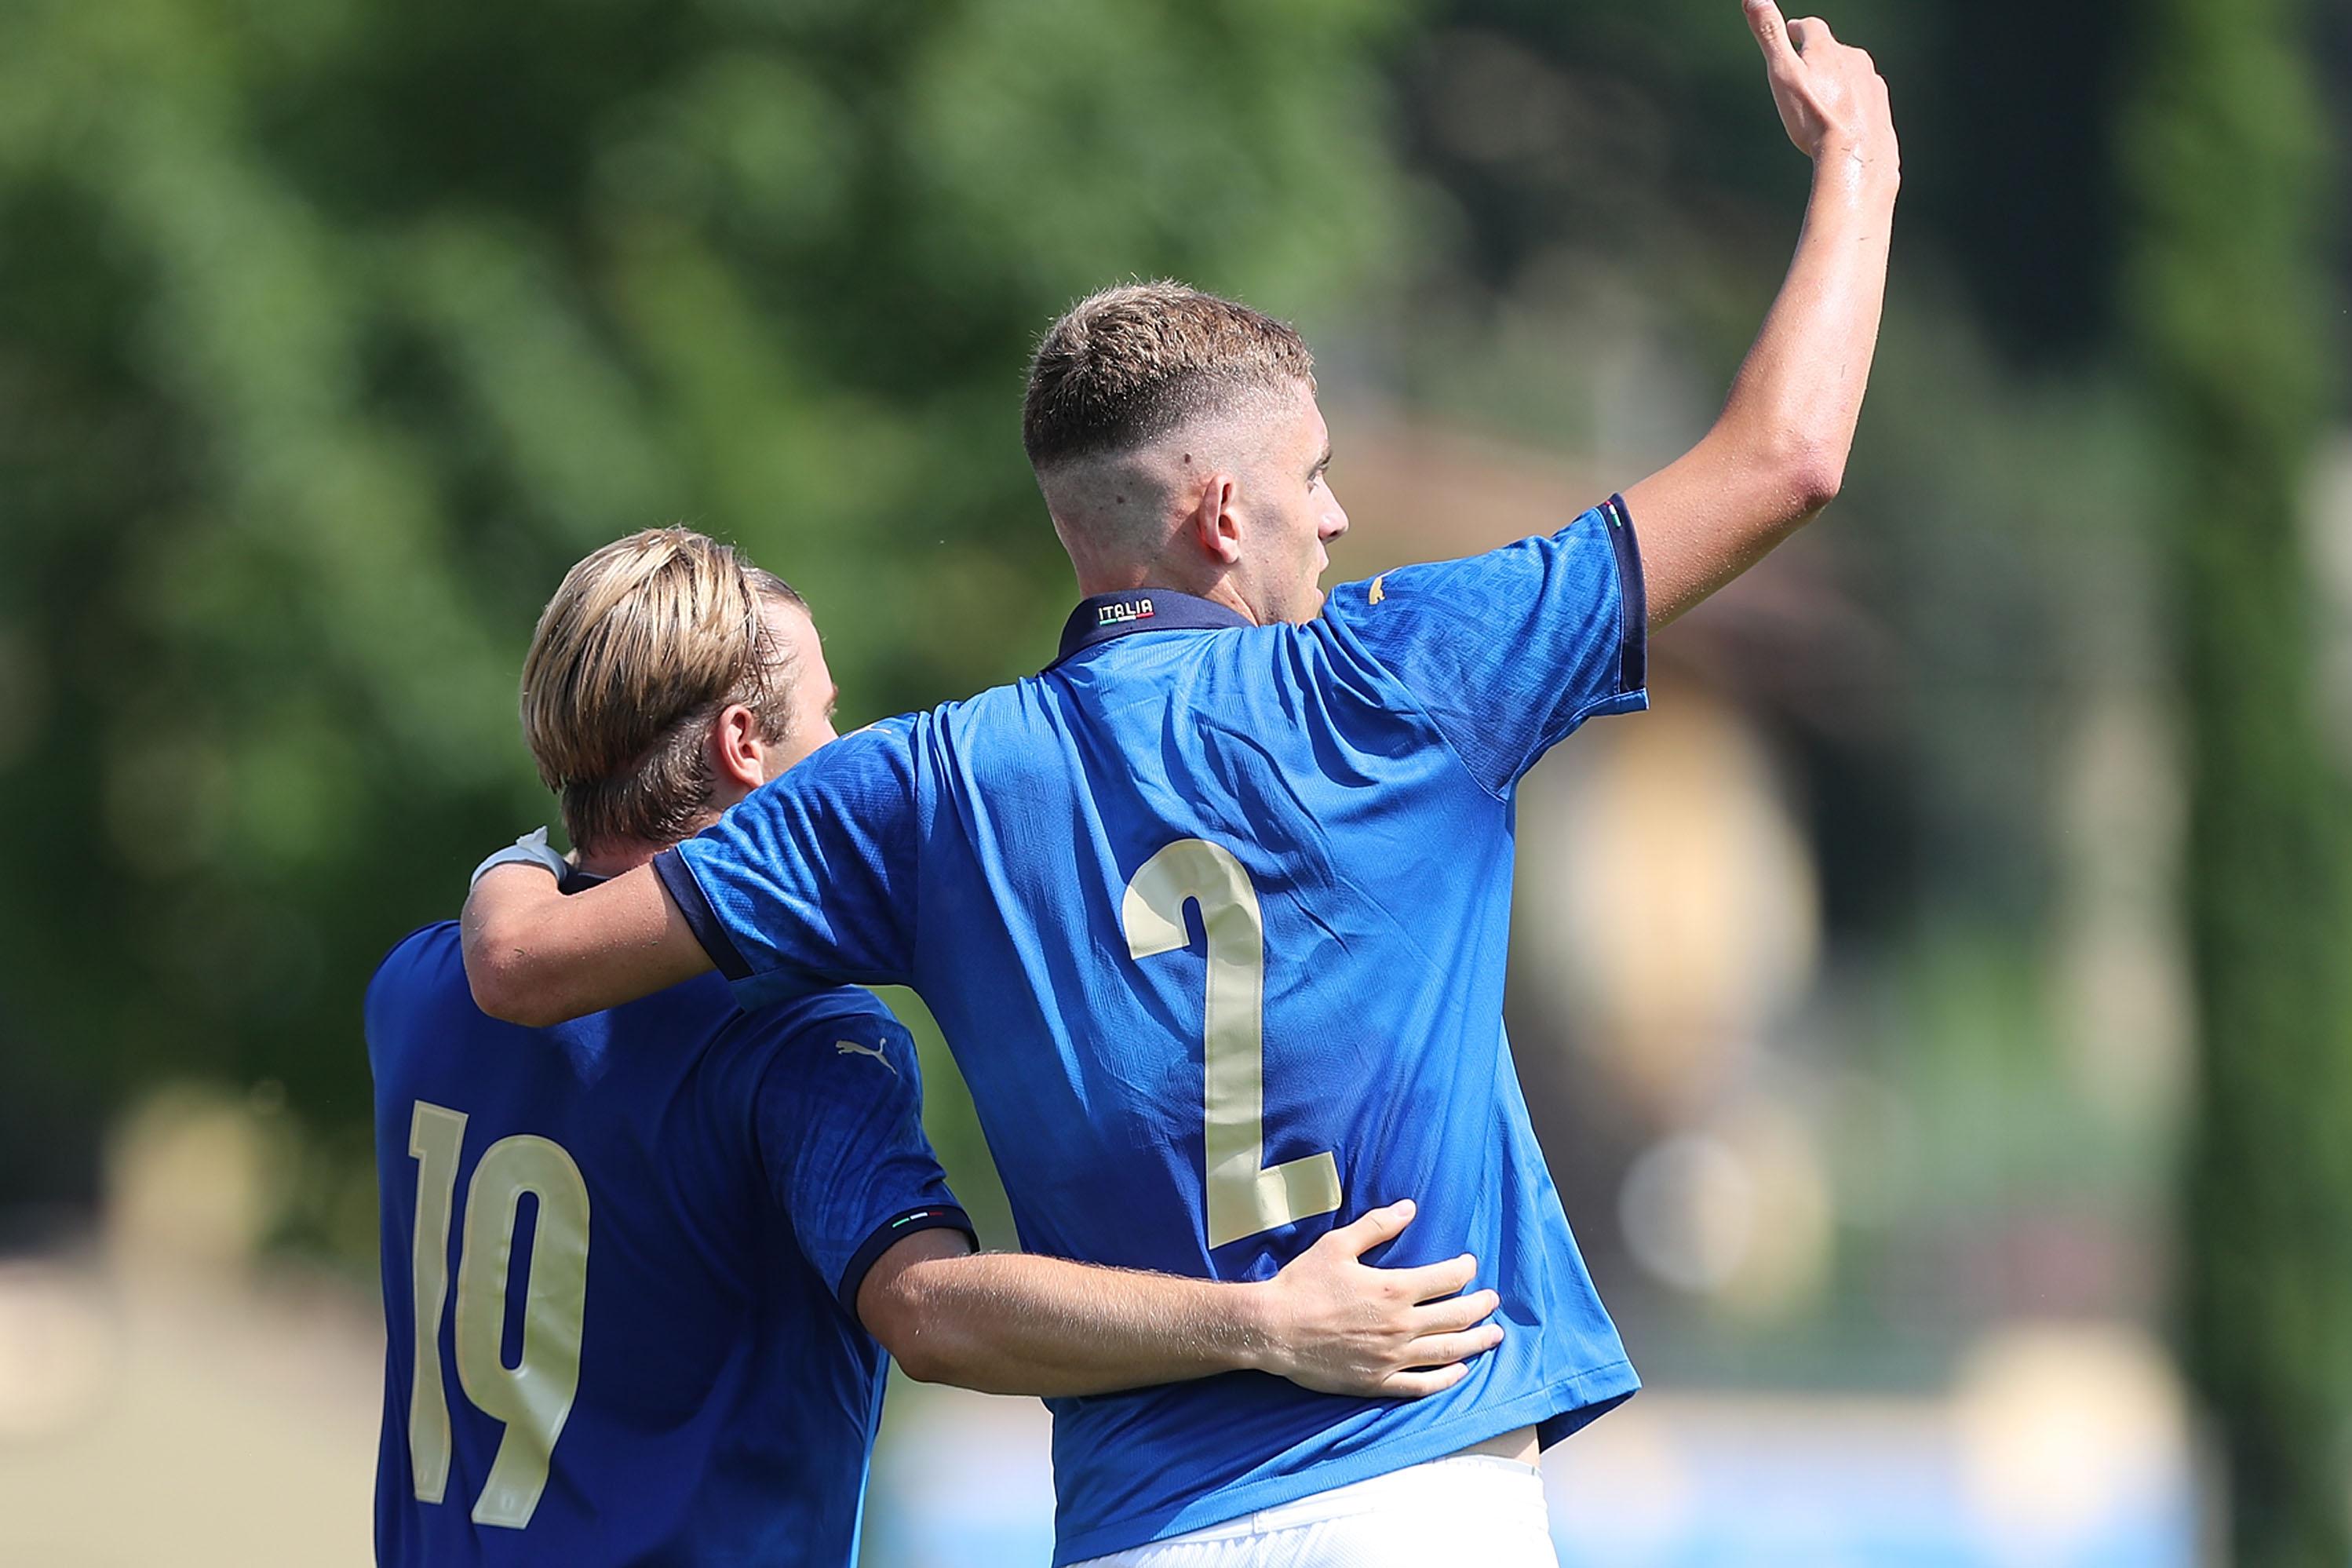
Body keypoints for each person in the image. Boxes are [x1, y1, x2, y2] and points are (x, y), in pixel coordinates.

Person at [461, 5, 1898, 1563]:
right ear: (1220, 514)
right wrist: (1859, 168)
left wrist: (534, 821)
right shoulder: (1402, 678)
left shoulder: (925, 788)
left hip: (1142, 1531)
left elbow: (531, 966)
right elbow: (1786, 459)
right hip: (1418, 1503)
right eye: (1311, 474)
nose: (1337, 517)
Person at [371, 528, 1502, 1566]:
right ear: (743, 743)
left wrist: (513, 862)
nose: (849, 743)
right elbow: (929, 1311)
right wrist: (1264, 1323)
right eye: (823, 713)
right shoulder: (798, 1039)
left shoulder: (419, 989)